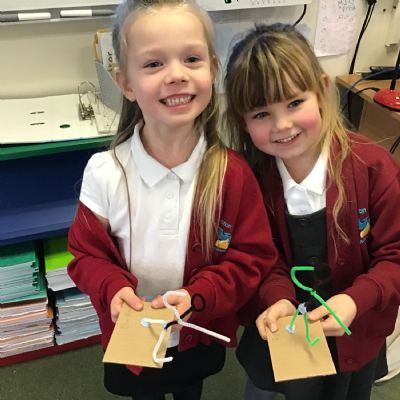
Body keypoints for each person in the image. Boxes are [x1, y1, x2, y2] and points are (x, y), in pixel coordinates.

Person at [67, 2, 278, 399]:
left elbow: (251, 258)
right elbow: (85, 256)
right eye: (153, 64)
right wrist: (112, 287)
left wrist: (201, 295)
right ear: (125, 83)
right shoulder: (105, 172)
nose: (177, 75)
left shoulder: (232, 174)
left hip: (197, 332)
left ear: (212, 69)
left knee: (189, 389)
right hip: (133, 337)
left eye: (192, 59)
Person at [224, 23, 400, 400]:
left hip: (354, 329)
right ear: (243, 122)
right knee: (268, 387)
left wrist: (355, 300)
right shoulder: (250, 181)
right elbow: (259, 259)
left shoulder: (373, 168)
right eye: (261, 114)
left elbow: (395, 256)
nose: (282, 125)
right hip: (281, 328)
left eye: (294, 103)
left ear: (320, 90)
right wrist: (279, 298)